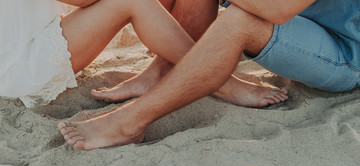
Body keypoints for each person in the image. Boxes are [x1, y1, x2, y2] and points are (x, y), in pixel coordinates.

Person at [58, 0, 360, 150]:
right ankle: (161, 71)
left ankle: (129, 122)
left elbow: (278, 7)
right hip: (306, 25)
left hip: (346, 49)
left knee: (238, 21)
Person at [0, 0, 286, 109]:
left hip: (28, 39)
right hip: (21, 61)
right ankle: (219, 81)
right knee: (132, 0)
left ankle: (161, 72)